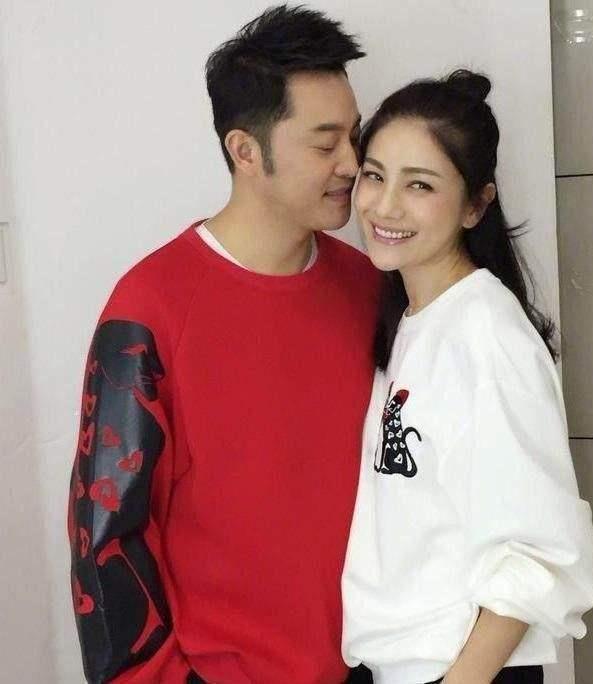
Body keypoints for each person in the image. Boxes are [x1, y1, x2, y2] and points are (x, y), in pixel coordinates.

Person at [67, 5, 381, 683]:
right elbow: (106, 541)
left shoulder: (368, 287)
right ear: (245, 151)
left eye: (355, 136)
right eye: (325, 144)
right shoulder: (150, 308)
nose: (353, 165)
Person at [341, 70, 593, 684]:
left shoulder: (486, 331)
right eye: (374, 175)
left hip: (457, 668)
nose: (385, 205)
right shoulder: (416, 319)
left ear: (475, 205)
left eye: (420, 184)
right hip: (406, 664)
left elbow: (540, 551)